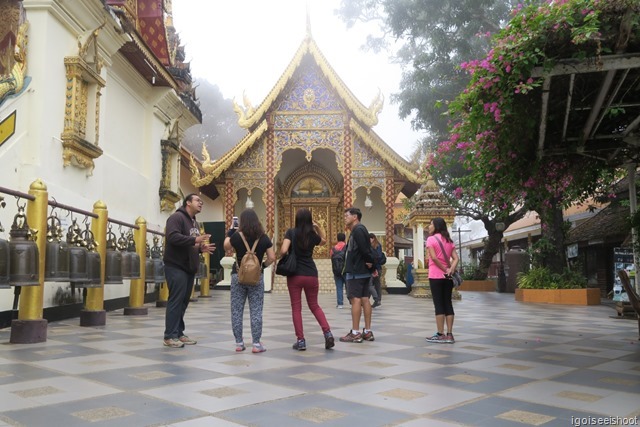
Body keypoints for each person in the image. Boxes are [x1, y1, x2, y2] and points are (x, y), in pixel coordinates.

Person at [163, 193, 216, 348]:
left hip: (188, 268)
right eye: (198, 201)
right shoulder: (176, 218)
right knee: (176, 300)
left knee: (183, 302)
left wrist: (200, 248)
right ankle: (169, 336)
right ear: (188, 203)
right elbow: (172, 237)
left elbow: (188, 244)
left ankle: (179, 333)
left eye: (202, 202)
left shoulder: (194, 223)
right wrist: (195, 240)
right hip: (176, 266)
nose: (201, 203)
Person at [280, 208, 334, 351]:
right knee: (314, 306)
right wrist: (318, 227)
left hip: (295, 275)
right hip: (311, 273)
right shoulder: (312, 235)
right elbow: (323, 241)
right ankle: (327, 333)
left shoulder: (291, 232)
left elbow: (283, 250)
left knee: (296, 308)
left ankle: (301, 340)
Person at [224, 209, 275, 353]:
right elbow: (272, 257)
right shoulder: (264, 238)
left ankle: (239, 343)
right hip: (256, 279)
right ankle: (256, 344)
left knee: (236, 311)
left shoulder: (236, 236)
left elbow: (226, 246)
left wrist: (230, 232)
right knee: (256, 311)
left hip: (237, 276)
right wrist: (262, 267)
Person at [339, 207, 375, 343]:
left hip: (356, 270)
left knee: (356, 299)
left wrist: (370, 261)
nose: (345, 218)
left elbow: (365, 249)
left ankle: (355, 332)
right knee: (365, 298)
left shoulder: (358, 230)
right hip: (363, 270)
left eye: (347, 215)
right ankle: (367, 331)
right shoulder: (360, 229)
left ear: (355, 217)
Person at [425, 217, 459, 344]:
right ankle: (450, 334)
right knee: (448, 304)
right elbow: (456, 258)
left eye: (431, 224)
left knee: (438, 304)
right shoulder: (449, 241)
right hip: (448, 278)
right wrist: (450, 270)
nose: (429, 226)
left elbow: (433, 257)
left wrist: (444, 269)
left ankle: (440, 334)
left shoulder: (430, 239)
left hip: (435, 276)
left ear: (436, 227)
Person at [330, 232, 347, 308]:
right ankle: (352, 301)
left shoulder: (333, 249)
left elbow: (332, 259)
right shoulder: (346, 247)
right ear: (344, 239)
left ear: (337, 239)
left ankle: (340, 304)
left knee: (339, 287)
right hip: (345, 270)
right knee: (349, 287)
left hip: (336, 270)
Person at [369, 233, 386, 308]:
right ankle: (376, 299)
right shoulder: (376, 245)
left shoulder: (376, 246)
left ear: (372, 238)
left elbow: (377, 256)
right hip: (376, 267)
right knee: (374, 284)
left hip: (376, 267)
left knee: (372, 284)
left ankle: (377, 299)